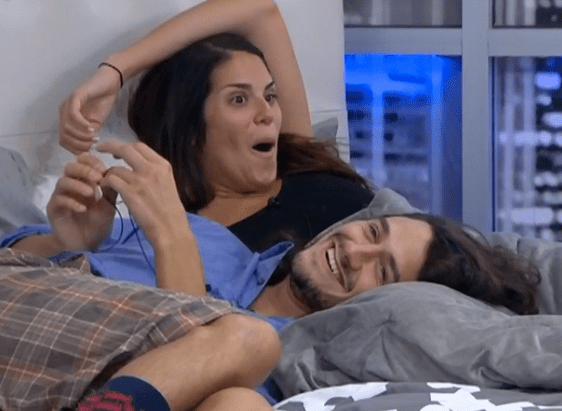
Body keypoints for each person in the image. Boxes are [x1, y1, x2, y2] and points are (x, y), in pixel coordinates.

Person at [1, 176, 541, 410]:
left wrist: (170, 240)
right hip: (28, 305)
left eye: (383, 271)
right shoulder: (208, 237)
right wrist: (68, 240)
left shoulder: (293, 364)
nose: (354, 251)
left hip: (57, 388)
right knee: (247, 339)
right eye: (372, 232)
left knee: (242, 393)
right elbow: (17, 259)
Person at [58, 0, 374, 253]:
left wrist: (116, 71)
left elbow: (260, 12)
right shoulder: (175, 237)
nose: (267, 113)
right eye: (239, 99)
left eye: (270, 96)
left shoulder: (298, 161)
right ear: (191, 129)